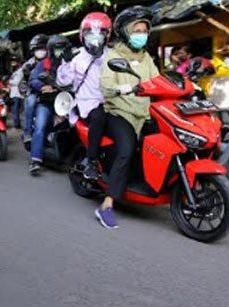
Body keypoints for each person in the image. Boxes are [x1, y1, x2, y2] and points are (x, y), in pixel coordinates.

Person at [97, 6, 159, 228]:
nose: (142, 34)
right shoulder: (113, 56)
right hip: (120, 112)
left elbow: (158, 81)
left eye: (144, 30)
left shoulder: (146, 58)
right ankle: (107, 204)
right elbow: (105, 85)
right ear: (125, 32)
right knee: (126, 149)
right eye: (137, 30)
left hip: (145, 113)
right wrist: (122, 88)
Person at [57, 12, 112, 180]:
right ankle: (91, 160)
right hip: (87, 105)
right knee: (98, 116)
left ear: (107, 35)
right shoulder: (76, 56)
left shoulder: (113, 55)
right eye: (90, 34)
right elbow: (62, 81)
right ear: (83, 35)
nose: (95, 39)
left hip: (113, 102)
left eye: (100, 34)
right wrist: (65, 63)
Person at [27, 34, 71, 175]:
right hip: (47, 102)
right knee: (40, 127)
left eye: (62, 48)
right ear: (51, 49)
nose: (60, 51)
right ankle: (35, 160)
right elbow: (33, 79)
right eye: (57, 48)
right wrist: (42, 87)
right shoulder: (43, 63)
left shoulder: (71, 63)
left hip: (66, 101)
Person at [22, 34, 49, 143]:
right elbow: (20, 79)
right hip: (35, 92)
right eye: (38, 49)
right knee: (30, 102)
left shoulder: (52, 60)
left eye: (42, 48)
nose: (40, 51)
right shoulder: (29, 63)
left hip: (54, 91)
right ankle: (27, 132)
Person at [8, 55, 23, 129]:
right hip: (13, 93)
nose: (12, 63)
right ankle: (17, 124)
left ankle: (17, 125)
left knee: (15, 110)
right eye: (12, 61)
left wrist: (9, 81)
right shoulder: (14, 71)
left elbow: (16, 82)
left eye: (14, 61)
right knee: (14, 110)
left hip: (18, 93)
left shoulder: (20, 71)